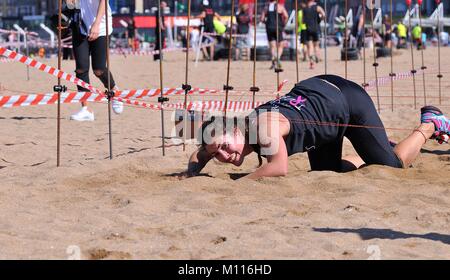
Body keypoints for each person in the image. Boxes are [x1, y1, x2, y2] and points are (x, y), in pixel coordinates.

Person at [182, 75, 450, 179]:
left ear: (235, 129)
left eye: (225, 147)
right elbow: (201, 153)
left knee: (392, 166)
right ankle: (375, 147)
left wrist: (237, 183)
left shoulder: (261, 127)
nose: (225, 156)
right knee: (327, 172)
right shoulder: (224, 136)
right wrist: (192, 170)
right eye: (218, 154)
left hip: (347, 102)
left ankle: (429, 123)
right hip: (320, 106)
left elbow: (278, 168)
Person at [67, 0, 123, 121]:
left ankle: (114, 91)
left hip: (101, 26)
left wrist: (96, 24)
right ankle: (86, 109)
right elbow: (71, 5)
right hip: (80, 27)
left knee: (99, 69)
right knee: (81, 69)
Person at [260, 0, 288, 70]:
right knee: (281, 45)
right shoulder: (280, 7)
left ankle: (273, 61)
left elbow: (262, 19)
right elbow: (286, 16)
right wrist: (283, 24)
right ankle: (277, 58)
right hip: (278, 27)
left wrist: (267, 23)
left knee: (272, 46)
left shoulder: (266, 7)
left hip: (269, 28)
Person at [302, 0, 325, 69]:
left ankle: (311, 62)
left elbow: (303, 20)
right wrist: (320, 19)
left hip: (307, 29)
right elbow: (324, 15)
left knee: (310, 46)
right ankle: (317, 56)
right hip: (315, 28)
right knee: (316, 45)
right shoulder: (317, 7)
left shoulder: (304, 9)